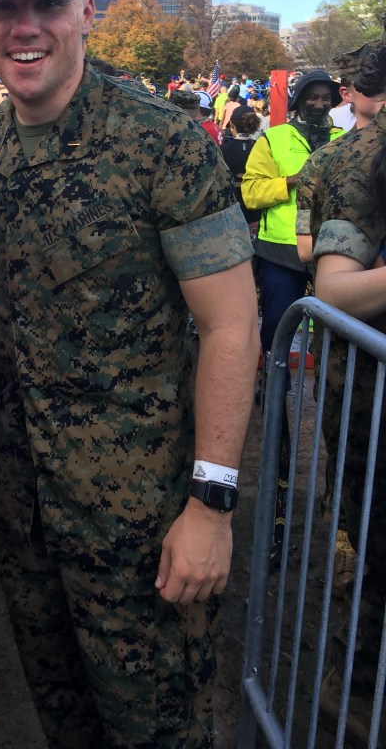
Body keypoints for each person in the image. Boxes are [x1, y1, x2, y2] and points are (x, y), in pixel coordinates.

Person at [0, 0, 259, 749]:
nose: (25, 27)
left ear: (84, 12)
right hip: (23, 502)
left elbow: (232, 327)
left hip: (141, 515)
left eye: (45, 5)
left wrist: (211, 502)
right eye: (4, 6)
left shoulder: (159, 142)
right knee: (66, 718)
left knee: (158, 727)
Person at [308, 43, 386, 746]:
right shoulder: (355, 159)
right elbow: (332, 290)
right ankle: (352, 683)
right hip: (370, 395)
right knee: (376, 540)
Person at [242, 69, 344, 365]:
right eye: (312, 97)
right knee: (276, 325)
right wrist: (290, 181)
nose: (320, 104)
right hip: (281, 251)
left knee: (332, 329)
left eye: (326, 98)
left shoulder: (343, 139)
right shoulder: (273, 138)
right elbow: (251, 193)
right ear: (299, 100)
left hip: (332, 249)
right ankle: (275, 390)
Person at [220, 105, 262, 233]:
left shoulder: (223, 149)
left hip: (231, 210)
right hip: (257, 209)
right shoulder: (261, 148)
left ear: (232, 124)